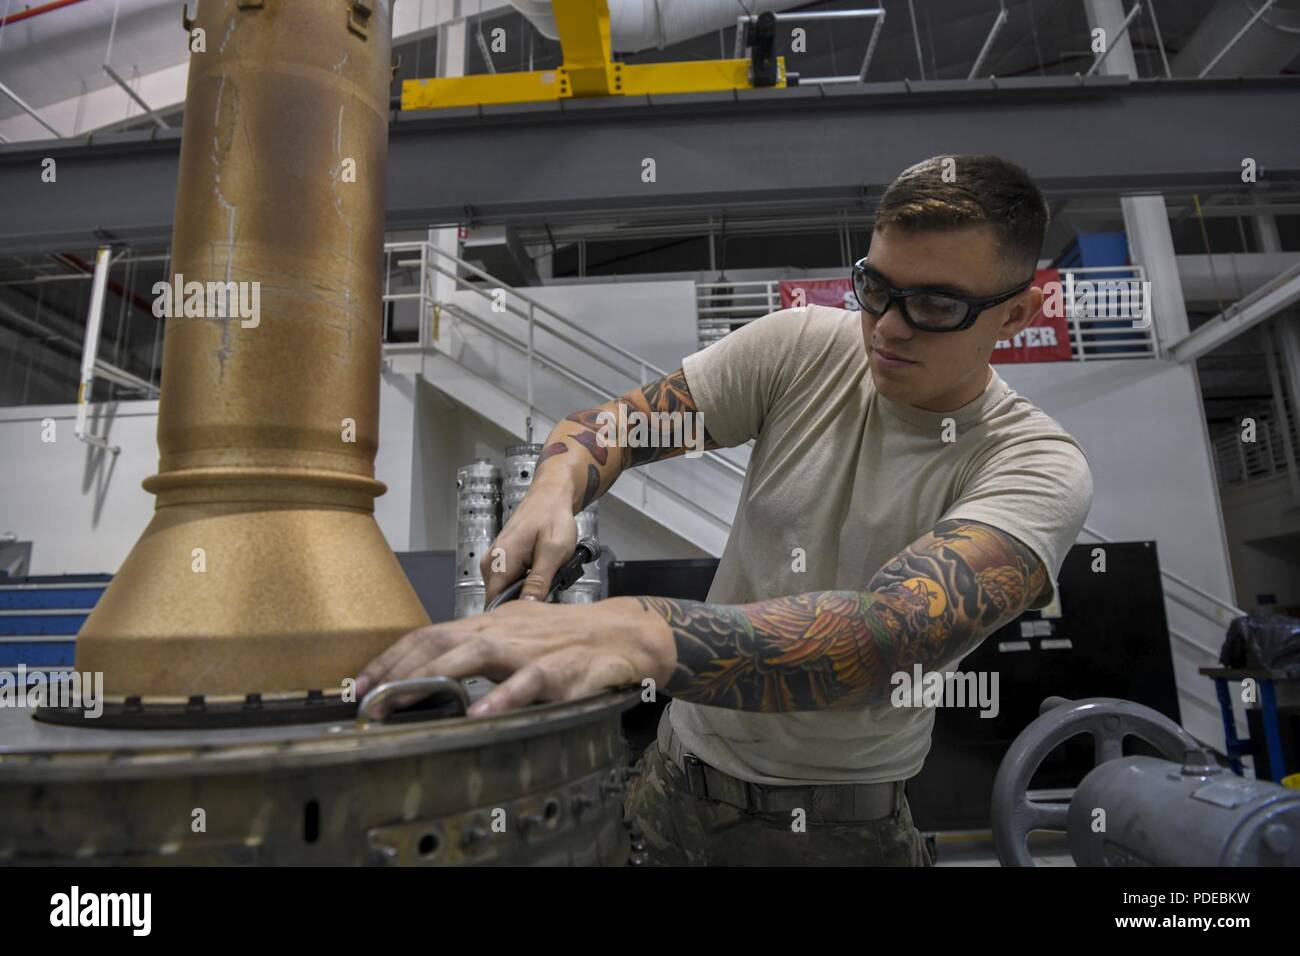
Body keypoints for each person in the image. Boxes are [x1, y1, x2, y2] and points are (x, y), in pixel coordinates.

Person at [356, 154, 1093, 866]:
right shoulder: (805, 349)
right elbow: (617, 430)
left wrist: (641, 633)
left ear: (1017, 314)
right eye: (875, 286)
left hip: (834, 829)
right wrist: (553, 489)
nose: (887, 327)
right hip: (671, 779)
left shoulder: (1034, 466)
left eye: (934, 304)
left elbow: (885, 639)